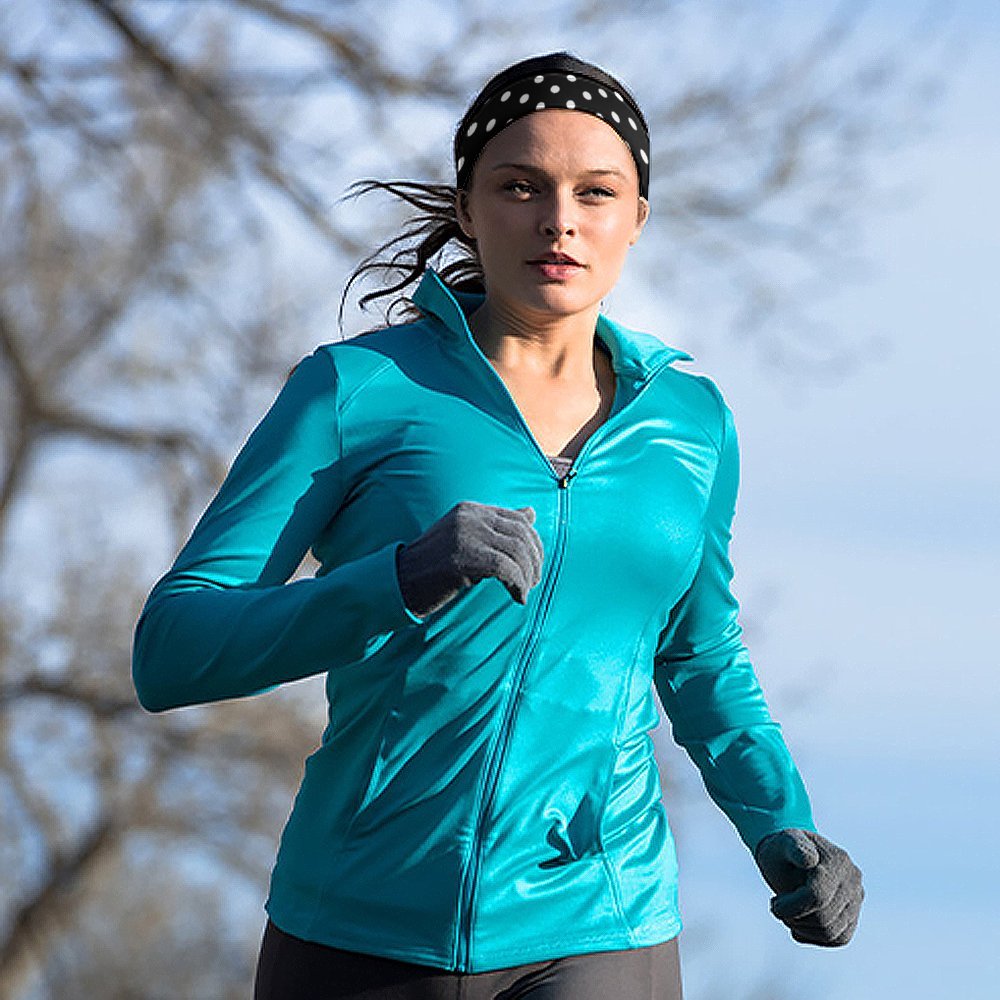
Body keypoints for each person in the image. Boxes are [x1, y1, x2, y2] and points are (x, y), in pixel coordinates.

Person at [131, 50, 863, 1000]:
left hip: (599, 920)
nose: (559, 219)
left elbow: (699, 657)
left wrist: (783, 824)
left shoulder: (692, 424)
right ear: (468, 209)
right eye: (521, 186)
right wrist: (400, 577)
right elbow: (173, 650)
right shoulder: (356, 390)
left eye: (596, 192)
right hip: (356, 924)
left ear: (637, 218)